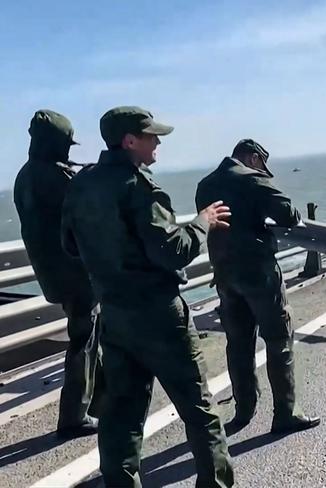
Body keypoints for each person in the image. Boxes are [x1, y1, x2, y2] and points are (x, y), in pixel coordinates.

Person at [61, 106, 234, 488]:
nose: (158, 142)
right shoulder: (139, 188)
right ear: (130, 141)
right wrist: (202, 222)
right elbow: (172, 251)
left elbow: (69, 245)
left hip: (115, 315)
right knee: (199, 408)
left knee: (119, 417)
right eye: (152, 136)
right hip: (158, 315)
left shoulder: (82, 184)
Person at [195, 139, 320, 435]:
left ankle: (244, 409)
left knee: (238, 343)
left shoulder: (205, 184)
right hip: (258, 273)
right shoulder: (253, 180)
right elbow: (288, 214)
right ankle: (286, 413)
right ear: (253, 158)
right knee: (278, 339)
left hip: (224, 274)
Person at [13, 109, 101, 438]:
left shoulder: (27, 174)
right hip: (73, 272)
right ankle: (74, 416)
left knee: (89, 337)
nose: (68, 152)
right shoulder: (51, 177)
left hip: (53, 272)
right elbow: (87, 204)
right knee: (84, 340)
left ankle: (91, 402)